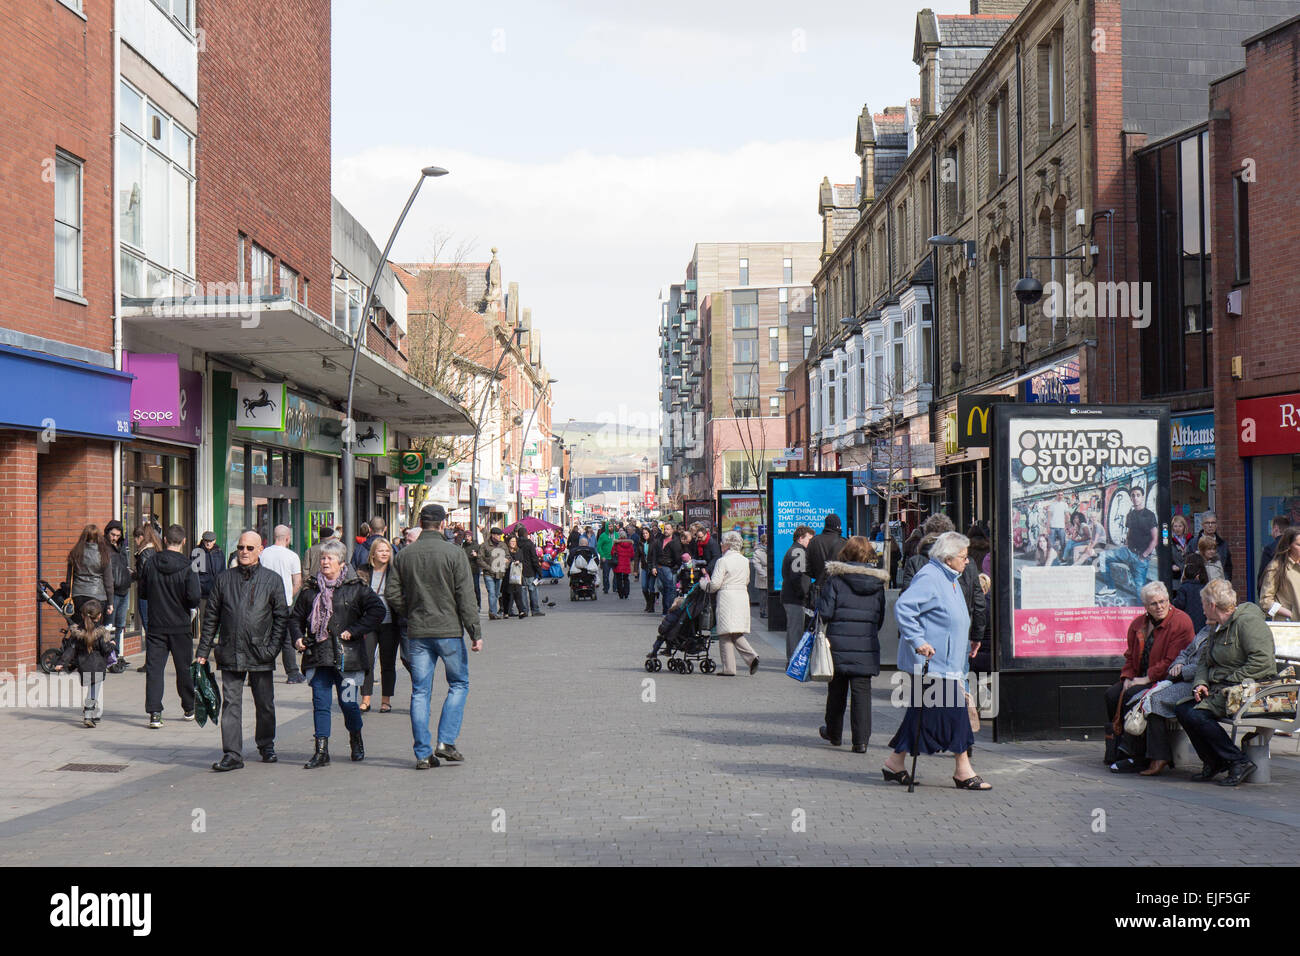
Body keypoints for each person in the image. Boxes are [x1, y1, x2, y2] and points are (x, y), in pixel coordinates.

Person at [883, 532, 990, 790]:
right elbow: (905, 607)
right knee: (955, 713)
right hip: (934, 662)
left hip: (950, 661)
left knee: (923, 714)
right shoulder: (930, 577)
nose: (967, 562)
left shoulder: (951, 577)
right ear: (948, 557)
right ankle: (963, 769)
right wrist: (918, 640)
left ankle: (894, 762)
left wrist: (970, 640)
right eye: (963, 557)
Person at [385, 504, 483, 769]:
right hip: (449, 631)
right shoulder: (454, 553)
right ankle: (446, 742)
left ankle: (422, 753)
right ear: (442, 524)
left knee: (420, 692)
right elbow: (466, 596)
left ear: (421, 523)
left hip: (417, 632)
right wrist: (475, 631)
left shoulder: (404, 555)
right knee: (459, 683)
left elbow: (392, 594)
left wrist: (412, 611)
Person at [197, 530, 291, 771]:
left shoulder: (272, 580)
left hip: (261, 651)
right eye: (240, 547)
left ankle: (266, 744)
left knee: (265, 703)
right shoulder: (224, 579)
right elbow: (211, 618)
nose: (244, 552)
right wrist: (203, 651)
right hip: (230, 649)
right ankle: (232, 754)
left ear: (260, 549)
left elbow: (282, 618)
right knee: (231, 703)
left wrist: (272, 648)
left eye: (250, 548)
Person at [289, 538, 385, 767]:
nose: (324, 562)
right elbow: (294, 618)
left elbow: (377, 610)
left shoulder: (356, 588)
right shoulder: (310, 591)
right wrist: (298, 638)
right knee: (320, 703)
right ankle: (321, 752)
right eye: (322, 558)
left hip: (348, 660)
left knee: (349, 703)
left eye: (329, 558)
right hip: (319, 656)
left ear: (342, 563)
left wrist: (355, 631)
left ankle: (356, 739)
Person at [1175, 578, 1276, 786]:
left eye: (1203, 604)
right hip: (1222, 690)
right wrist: (1201, 682)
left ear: (1212, 605)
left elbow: (1263, 663)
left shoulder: (1247, 622)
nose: (1201, 609)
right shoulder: (1217, 625)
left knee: (1197, 715)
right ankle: (1213, 762)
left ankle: (1237, 762)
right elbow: (1204, 659)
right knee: (1183, 710)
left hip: (1248, 690)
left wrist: (1227, 680)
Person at [1104, 581, 1195, 771]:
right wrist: (1127, 677)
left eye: (1163, 601)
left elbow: (1173, 661)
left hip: (1167, 680)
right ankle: (1119, 748)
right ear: (1145, 606)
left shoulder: (1181, 621)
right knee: (1112, 694)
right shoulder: (1139, 624)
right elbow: (1130, 656)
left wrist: (1146, 678)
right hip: (1141, 677)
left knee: (1133, 696)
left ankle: (1136, 755)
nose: (1160, 607)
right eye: (1154, 604)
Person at [816, 537, 889, 753]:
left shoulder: (836, 581)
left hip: (837, 643)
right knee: (862, 693)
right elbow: (880, 618)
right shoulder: (878, 584)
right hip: (866, 644)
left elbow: (826, 613)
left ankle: (834, 733)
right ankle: (861, 741)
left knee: (836, 690)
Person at [1129, 603, 1213, 776]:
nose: (1203, 611)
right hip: (1182, 677)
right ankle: (1133, 754)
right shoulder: (1206, 629)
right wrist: (1179, 663)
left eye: (1207, 607)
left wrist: (1181, 670)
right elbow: (1185, 651)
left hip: (1197, 682)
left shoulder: (1216, 634)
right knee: (1138, 697)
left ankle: (1158, 756)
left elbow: (1207, 665)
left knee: (1152, 699)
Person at [138, 524, 200, 729]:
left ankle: (155, 713)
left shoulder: (151, 562)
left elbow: (143, 592)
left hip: (156, 624)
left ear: (165, 540)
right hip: (180, 625)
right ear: (183, 542)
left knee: (155, 670)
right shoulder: (188, 565)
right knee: (184, 668)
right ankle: (189, 707)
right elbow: (194, 597)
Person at [702, 531, 760, 677]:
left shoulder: (723, 561)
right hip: (741, 596)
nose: (721, 545)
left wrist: (704, 584)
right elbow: (747, 580)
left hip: (727, 596)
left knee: (725, 633)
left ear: (727, 544)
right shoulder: (744, 560)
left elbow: (715, 584)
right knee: (735, 631)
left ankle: (730, 667)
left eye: (722, 542)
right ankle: (750, 658)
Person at [53, 599, 116, 727]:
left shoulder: (77, 633)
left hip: (84, 665)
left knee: (91, 690)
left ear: (82, 615)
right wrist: (112, 645)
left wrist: (61, 662)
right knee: (93, 691)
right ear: (99, 616)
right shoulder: (101, 632)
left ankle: (93, 712)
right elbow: (105, 649)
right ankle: (88, 713)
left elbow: (70, 649)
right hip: (98, 666)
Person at [359, 538, 400, 714]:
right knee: (367, 661)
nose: (384, 553)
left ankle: (386, 700)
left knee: (388, 662)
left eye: (387, 551)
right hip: (369, 623)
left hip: (390, 623)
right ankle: (366, 699)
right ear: (373, 553)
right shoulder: (363, 571)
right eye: (381, 550)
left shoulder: (395, 572)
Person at [260, 524, 305, 684]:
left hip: (263, 603)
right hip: (284, 604)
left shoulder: (263, 554)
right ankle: (292, 673)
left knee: (263, 638)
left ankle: (257, 673)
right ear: (287, 538)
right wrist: (288, 597)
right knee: (286, 639)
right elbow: (297, 582)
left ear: (274, 537)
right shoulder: (292, 556)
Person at [1098, 484, 1158, 594]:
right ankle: (1110, 587)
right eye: (1133, 495)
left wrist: (1144, 555)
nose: (1135, 498)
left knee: (1140, 591)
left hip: (1140, 557)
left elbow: (1155, 538)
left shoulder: (1149, 515)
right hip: (1127, 551)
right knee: (1102, 556)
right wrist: (1126, 544)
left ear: (1142, 497)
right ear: (1130, 498)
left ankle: (1142, 611)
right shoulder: (1130, 514)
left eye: (1138, 495)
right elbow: (1130, 532)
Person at [65, 525, 115, 623]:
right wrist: (110, 602)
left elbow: (69, 579)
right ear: (99, 538)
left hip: (78, 594)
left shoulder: (75, 553)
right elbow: (108, 581)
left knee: (79, 627)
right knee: (95, 629)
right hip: (98, 595)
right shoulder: (104, 554)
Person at [780, 526, 815, 662]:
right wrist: (802, 594)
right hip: (795, 598)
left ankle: (792, 659)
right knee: (796, 631)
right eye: (809, 539)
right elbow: (796, 576)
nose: (810, 542)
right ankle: (794, 661)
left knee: (793, 630)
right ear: (801, 538)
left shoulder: (794, 550)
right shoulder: (798, 552)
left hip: (790, 596)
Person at [1258, 526, 1300, 620]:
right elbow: (1265, 601)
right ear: (1289, 546)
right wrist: (1290, 613)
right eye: (1299, 545)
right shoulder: (1276, 567)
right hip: (1289, 627)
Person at [103, 520, 132, 650]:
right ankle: (108, 654)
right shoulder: (104, 548)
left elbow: (125, 566)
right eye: (113, 534)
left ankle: (117, 653)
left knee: (120, 625)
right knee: (109, 625)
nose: (114, 538)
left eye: (118, 535)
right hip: (112, 591)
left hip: (124, 590)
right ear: (107, 532)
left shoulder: (121, 548)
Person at [191, 531, 227, 634]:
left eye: (210, 541)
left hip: (216, 591)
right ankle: (205, 641)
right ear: (203, 540)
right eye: (206, 541)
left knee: (217, 616)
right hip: (203, 592)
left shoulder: (219, 552)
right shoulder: (197, 552)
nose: (208, 543)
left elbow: (222, 572)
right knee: (204, 617)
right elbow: (194, 573)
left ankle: (213, 638)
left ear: (214, 541)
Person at [132, 524, 163, 634]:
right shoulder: (156, 549)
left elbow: (142, 575)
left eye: (135, 539)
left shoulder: (144, 553)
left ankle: (153, 648)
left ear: (140, 538)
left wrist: (132, 574)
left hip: (146, 593)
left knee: (147, 623)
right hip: (157, 592)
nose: (135, 542)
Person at [806, 514, 845, 589]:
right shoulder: (844, 542)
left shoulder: (814, 541)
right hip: (839, 587)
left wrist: (819, 575)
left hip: (820, 586)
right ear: (838, 526)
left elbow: (806, 566)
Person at [1172, 554, 1209, 633]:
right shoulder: (1206, 587)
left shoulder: (1184, 588)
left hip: (1188, 623)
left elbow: (1179, 604)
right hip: (1203, 623)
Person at [479, 528, 508, 620]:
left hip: (500, 573)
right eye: (498, 535)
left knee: (496, 593)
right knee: (491, 593)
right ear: (493, 535)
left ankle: (493, 611)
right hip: (489, 573)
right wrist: (488, 568)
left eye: (500, 535)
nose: (500, 537)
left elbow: (508, 557)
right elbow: (479, 559)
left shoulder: (503, 545)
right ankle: (493, 612)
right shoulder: (484, 546)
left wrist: (506, 564)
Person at [1257, 515, 1290, 596]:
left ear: (1275, 528)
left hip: (1276, 593)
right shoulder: (1294, 547)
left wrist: (1261, 594)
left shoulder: (1270, 549)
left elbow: (1263, 574)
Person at [515, 529, 545, 616]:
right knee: (533, 590)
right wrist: (539, 571)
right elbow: (534, 558)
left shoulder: (517, 544)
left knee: (523, 591)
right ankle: (535, 610)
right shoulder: (529, 544)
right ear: (526, 534)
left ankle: (525, 610)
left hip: (520, 571)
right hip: (530, 571)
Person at [1199, 513, 1232, 583]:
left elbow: (1228, 567)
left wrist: (1225, 582)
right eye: (1207, 523)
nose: (1210, 525)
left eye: (1213, 523)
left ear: (1216, 525)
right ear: (1202, 525)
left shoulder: (1223, 544)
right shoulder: (1193, 543)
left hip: (1219, 587)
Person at [638, 527, 657, 612]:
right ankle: (648, 602)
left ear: (649, 534)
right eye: (643, 533)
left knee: (651, 587)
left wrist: (654, 567)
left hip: (652, 567)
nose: (645, 535)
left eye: (646, 533)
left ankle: (651, 606)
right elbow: (637, 556)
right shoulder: (641, 543)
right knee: (644, 587)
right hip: (644, 567)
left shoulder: (654, 543)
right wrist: (635, 569)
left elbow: (655, 556)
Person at [1169, 514, 1192, 582]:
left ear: (1184, 527)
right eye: (1175, 526)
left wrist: (1181, 567)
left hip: (1189, 575)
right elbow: (1166, 557)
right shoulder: (1169, 541)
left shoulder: (1191, 539)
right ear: (1172, 527)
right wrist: (1171, 565)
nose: (1177, 529)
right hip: (1175, 576)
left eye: (1180, 526)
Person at [612, 531, 635, 599]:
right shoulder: (630, 544)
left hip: (618, 564)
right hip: (626, 564)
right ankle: (626, 593)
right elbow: (632, 554)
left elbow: (612, 552)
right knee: (626, 579)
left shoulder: (616, 544)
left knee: (618, 579)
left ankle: (621, 594)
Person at [751, 534, 769, 620]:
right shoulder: (758, 552)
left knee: (769, 595)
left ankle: (768, 611)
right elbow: (756, 564)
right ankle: (763, 611)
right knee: (763, 596)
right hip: (763, 576)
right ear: (763, 543)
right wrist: (764, 574)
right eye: (766, 543)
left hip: (770, 575)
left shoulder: (772, 550)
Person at [1047, 490, 1069, 557]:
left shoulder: (1065, 505)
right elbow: (1049, 516)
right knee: (1051, 544)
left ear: (1063, 496)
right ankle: (1052, 558)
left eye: (1061, 495)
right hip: (1053, 527)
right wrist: (1048, 527)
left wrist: (1066, 525)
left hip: (1061, 527)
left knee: (1063, 543)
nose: (1060, 496)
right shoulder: (1052, 504)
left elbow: (1067, 515)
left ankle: (1063, 557)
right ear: (1056, 495)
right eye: (1059, 495)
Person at [596, 521, 615, 593]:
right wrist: (602, 555)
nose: (611, 528)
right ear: (607, 527)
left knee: (616, 574)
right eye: (609, 526)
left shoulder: (616, 535)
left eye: (612, 526)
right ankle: (606, 588)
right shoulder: (603, 535)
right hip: (606, 558)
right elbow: (599, 546)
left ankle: (615, 587)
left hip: (615, 558)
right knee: (606, 575)